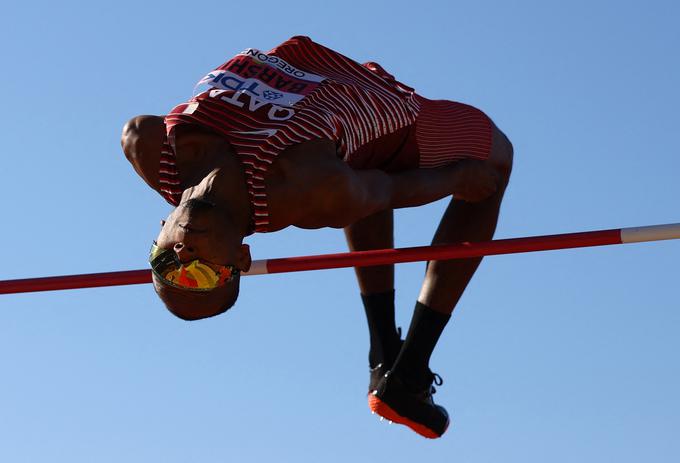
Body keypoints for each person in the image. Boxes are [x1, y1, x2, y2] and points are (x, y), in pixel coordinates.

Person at [121, 36, 513, 439]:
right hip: (391, 118)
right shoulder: (296, 190)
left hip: (317, 73)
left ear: (159, 233)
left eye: (167, 265)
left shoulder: (151, 150)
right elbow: (386, 190)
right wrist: (459, 178)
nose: (184, 255)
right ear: (241, 258)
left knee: (347, 181)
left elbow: (138, 128)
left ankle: (384, 360)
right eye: (200, 274)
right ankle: (409, 367)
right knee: (495, 158)